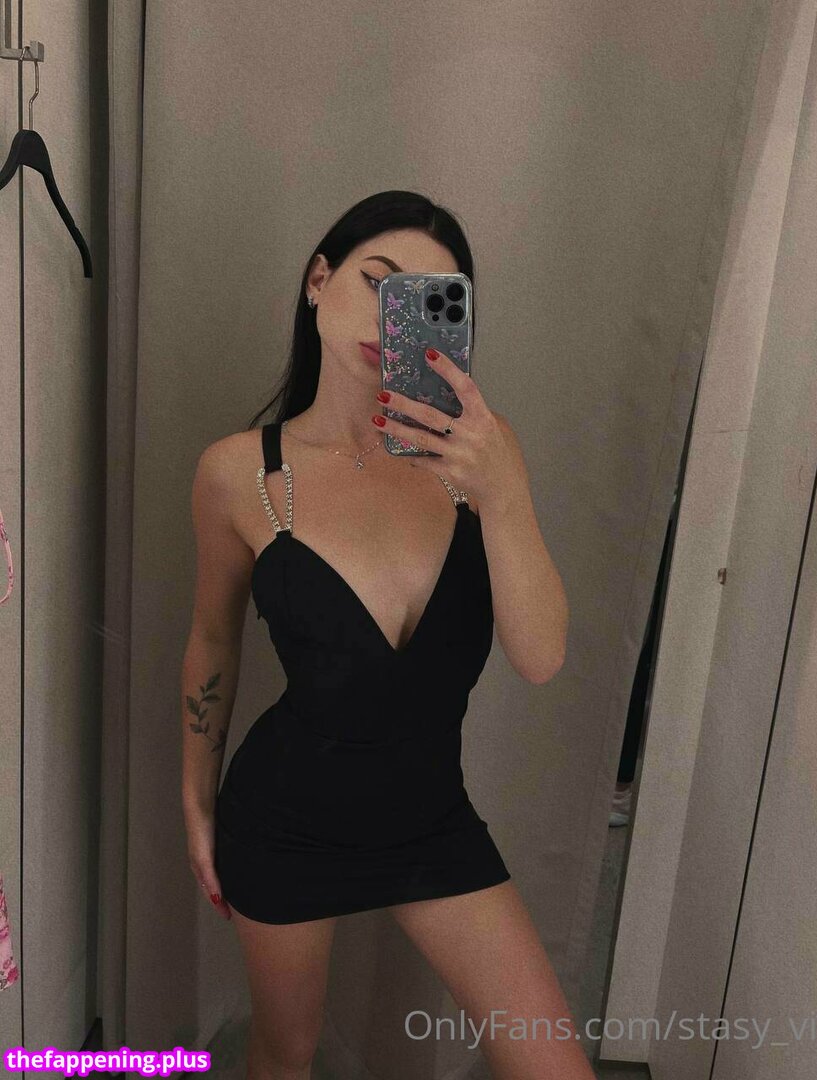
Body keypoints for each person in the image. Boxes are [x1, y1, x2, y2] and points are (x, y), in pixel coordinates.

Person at [181, 190, 593, 1080]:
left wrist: (504, 491)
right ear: (317, 281)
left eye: (425, 298)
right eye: (378, 281)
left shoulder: (479, 456)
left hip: (429, 821)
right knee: (283, 1057)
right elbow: (213, 640)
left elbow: (541, 657)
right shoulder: (238, 473)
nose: (388, 315)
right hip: (283, 821)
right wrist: (195, 801)